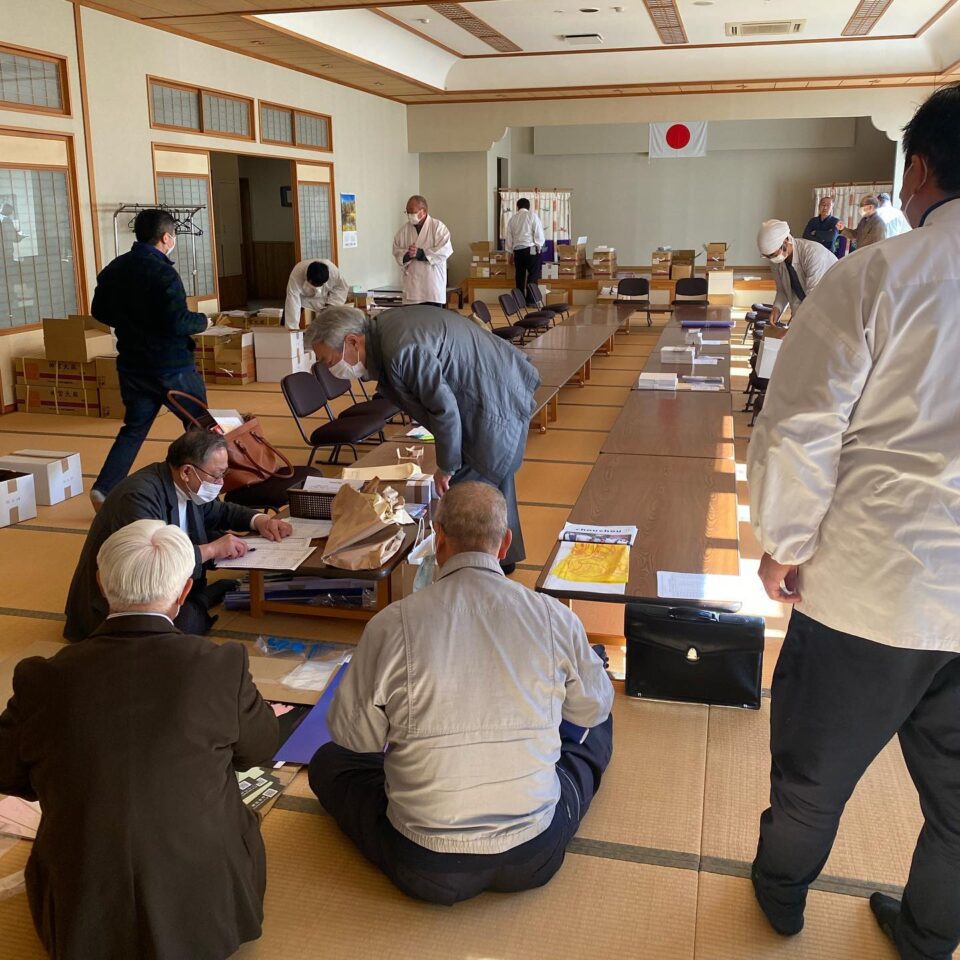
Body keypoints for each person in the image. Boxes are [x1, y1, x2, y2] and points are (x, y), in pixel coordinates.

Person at [746, 82, 960, 960]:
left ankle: (781, 900)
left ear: (918, 171)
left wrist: (784, 548)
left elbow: (799, 428)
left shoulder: (878, 274)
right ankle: (927, 937)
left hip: (873, 589)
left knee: (812, 778)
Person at [308, 482, 613, 905]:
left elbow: (354, 739)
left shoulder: (391, 624)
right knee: (594, 727)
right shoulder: (553, 616)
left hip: (426, 866)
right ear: (505, 542)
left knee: (328, 762)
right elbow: (592, 709)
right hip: (535, 853)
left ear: (439, 537)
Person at [0, 519, 278, 960]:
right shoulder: (219, 665)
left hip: (79, 919)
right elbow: (260, 749)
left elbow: (6, 771)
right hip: (208, 918)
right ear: (185, 593)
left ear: (100, 582)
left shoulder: (43, 677)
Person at [307, 304, 539, 572]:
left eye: (329, 360)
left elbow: (444, 409)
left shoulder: (401, 350)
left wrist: (446, 466)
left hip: (491, 399)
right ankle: (501, 561)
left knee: (466, 494)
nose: (329, 368)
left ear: (351, 341)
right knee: (492, 482)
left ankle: (474, 571)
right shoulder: (385, 331)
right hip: (492, 386)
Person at [64, 429, 292, 642]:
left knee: (185, 621)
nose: (221, 483)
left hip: (161, 589)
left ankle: (199, 597)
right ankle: (202, 599)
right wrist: (212, 550)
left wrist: (259, 520)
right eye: (217, 475)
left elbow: (219, 511)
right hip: (122, 603)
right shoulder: (138, 497)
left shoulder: (188, 485)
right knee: (180, 632)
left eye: (224, 474)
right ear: (186, 471)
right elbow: (150, 564)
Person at [89, 208, 210, 508]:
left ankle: (104, 488)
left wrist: (132, 322)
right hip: (172, 365)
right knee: (200, 426)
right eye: (174, 237)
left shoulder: (115, 268)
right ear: (166, 237)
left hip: (133, 364)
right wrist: (205, 322)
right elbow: (178, 321)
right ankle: (204, 490)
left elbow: (99, 312)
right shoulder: (163, 272)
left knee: (134, 429)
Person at [756, 220, 837, 325]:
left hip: (832, 307)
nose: (771, 259)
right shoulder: (777, 260)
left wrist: (796, 326)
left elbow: (814, 299)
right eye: (767, 256)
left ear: (785, 242)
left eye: (773, 254)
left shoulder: (813, 254)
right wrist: (777, 309)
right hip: (811, 310)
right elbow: (782, 290)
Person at [391, 195, 452, 307]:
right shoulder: (404, 231)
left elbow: (445, 250)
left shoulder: (438, 227)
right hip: (412, 290)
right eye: (407, 212)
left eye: (412, 212)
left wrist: (421, 253)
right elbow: (396, 251)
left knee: (433, 322)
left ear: (422, 211)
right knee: (413, 323)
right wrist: (408, 255)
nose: (409, 215)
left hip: (432, 288)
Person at [283, 258, 349, 329]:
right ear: (308, 279)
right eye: (314, 285)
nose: (316, 287)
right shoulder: (297, 274)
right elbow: (293, 301)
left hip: (324, 296)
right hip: (303, 297)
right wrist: (292, 329)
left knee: (330, 317)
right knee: (288, 319)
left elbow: (342, 288)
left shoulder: (333, 272)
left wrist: (331, 304)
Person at [505, 198, 546, 303]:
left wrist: (510, 254)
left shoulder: (512, 219)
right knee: (533, 274)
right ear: (528, 207)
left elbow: (509, 238)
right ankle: (531, 300)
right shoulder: (532, 216)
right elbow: (538, 232)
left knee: (519, 276)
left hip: (517, 251)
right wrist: (539, 246)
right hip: (531, 248)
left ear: (517, 207)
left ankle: (519, 301)